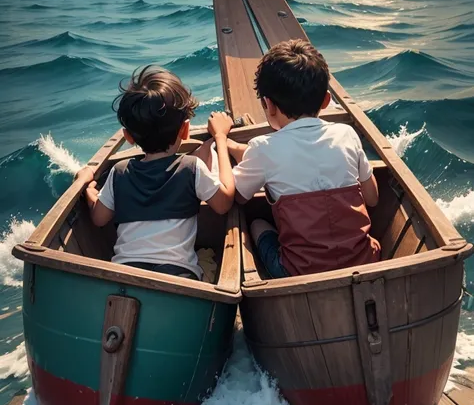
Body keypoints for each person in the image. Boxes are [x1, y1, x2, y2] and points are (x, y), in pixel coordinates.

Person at [227, 39, 380, 278]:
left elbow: (237, 195)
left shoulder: (263, 149)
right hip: (363, 261)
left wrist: (219, 140)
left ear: (268, 104)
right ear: (326, 100)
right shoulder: (346, 134)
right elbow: (372, 198)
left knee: (257, 224)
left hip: (299, 271)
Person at [76, 66, 234, 280]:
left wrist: (88, 187)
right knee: (208, 260)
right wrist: (221, 139)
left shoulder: (120, 172)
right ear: (185, 130)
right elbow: (224, 203)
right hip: (178, 277)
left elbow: (98, 218)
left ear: (128, 136)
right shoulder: (191, 167)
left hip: (124, 274)